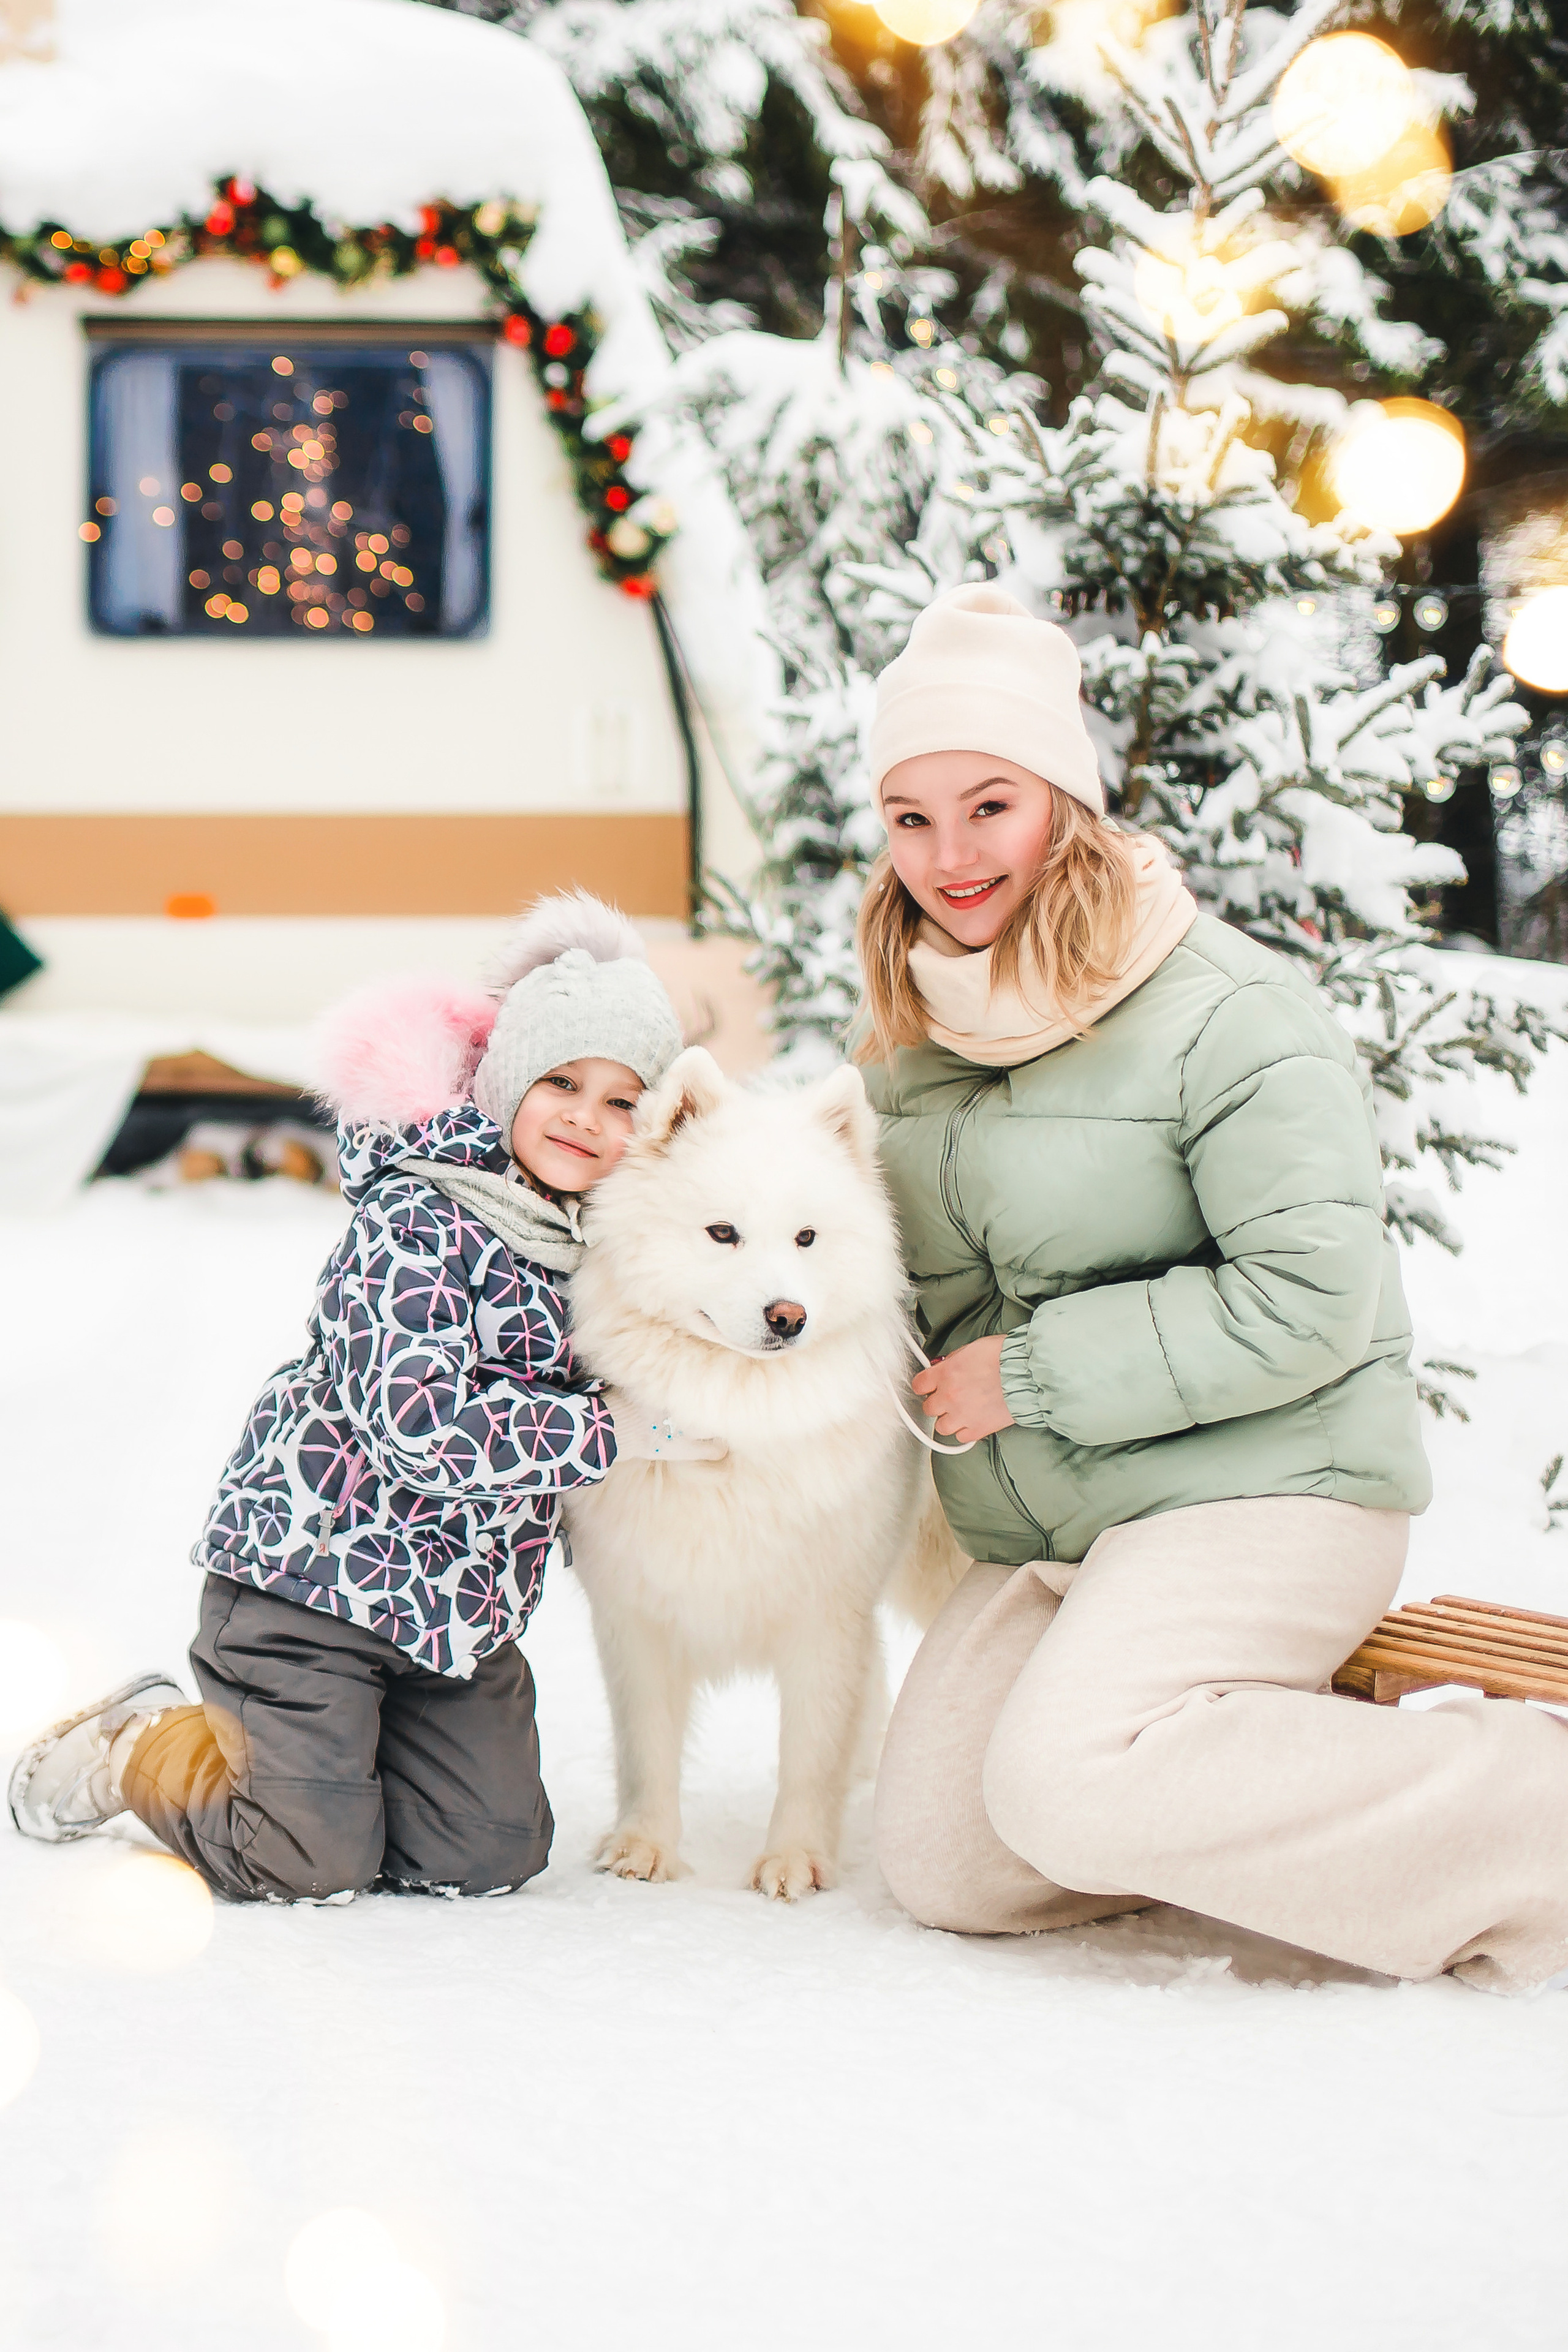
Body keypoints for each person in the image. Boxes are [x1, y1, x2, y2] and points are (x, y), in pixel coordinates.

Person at [862, 583, 1568, 1992]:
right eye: (909, 817)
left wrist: (1035, 1373)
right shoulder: (915, 1028)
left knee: (1067, 1788)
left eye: (987, 805)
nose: (947, 856)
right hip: (1063, 1520)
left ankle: (1524, 1807)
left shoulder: (1225, 1013)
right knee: (950, 1861)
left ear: (1063, 800)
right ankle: (1234, 1749)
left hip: (1265, 1487)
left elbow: (1307, 1301)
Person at [10, 895, 720, 1903]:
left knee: (489, 1852)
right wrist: (611, 1430)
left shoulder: (603, 1245)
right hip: (310, 1587)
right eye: (563, 1082)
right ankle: (145, 1749)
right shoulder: (417, 1213)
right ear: (511, 1077)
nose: (586, 1120)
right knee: (300, 1859)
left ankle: (333, 1775)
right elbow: (417, 1427)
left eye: (622, 1102)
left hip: (457, 1617)